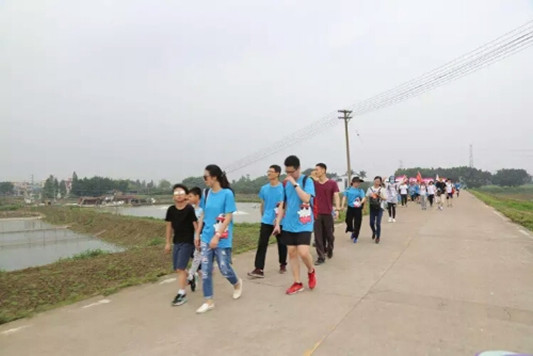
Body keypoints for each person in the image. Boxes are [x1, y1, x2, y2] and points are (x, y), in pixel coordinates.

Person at [196, 165, 243, 314]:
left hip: (222, 237)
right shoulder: (206, 193)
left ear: (214, 177)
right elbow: (203, 214)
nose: (205, 180)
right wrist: (198, 234)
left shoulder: (227, 194)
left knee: (224, 267)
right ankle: (209, 301)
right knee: (205, 270)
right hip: (206, 236)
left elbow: (228, 217)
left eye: (206, 177)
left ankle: (236, 283)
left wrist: (217, 236)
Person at [273, 155, 317, 295]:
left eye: (292, 171)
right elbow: (282, 205)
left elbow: (306, 198)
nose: (289, 174)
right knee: (291, 253)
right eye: (287, 172)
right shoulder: (285, 184)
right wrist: (278, 223)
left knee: (303, 252)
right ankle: (297, 282)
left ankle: (311, 270)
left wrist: (294, 183)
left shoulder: (306, 180)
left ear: (299, 168)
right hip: (289, 224)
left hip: (304, 223)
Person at [248, 165, 287, 278]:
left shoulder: (282, 188)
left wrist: (281, 217)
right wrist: (263, 216)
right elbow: (263, 204)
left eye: (271, 171)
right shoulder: (264, 188)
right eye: (268, 171)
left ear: (277, 173)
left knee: (282, 244)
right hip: (266, 220)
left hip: (280, 220)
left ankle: (283, 263)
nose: (268, 173)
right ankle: (259, 268)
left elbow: (285, 205)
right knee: (262, 243)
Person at [165, 184, 198, 306]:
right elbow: (169, 227)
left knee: (180, 268)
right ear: (173, 197)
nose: (178, 196)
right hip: (177, 241)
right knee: (177, 269)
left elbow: (195, 225)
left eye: (181, 193)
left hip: (188, 242)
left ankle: (182, 293)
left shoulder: (189, 209)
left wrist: (197, 239)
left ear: (185, 195)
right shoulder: (171, 210)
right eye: (176, 194)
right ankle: (191, 277)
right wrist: (167, 243)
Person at [312, 163, 340, 265]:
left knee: (330, 235)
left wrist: (337, 209)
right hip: (317, 213)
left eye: (317, 169)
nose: (316, 171)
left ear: (323, 170)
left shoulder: (332, 183)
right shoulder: (314, 184)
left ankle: (330, 248)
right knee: (318, 236)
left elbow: (336, 195)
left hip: (328, 212)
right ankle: (321, 256)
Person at [186, 187, 203, 291]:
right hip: (191, 237)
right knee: (194, 256)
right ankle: (193, 274)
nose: (189, 198)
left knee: (196, 257)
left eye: (190, 196)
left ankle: (191, 275)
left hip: (199, 237)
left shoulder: (202, 210)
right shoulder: (191, 209)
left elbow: (200, 225)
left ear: (197, 196)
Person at [341, 177, 366, 243]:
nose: (358, 184)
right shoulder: (348, 189)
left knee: (357, 222)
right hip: (350, 208)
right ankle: (351, 229)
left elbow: (363, 198)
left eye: (359, 182)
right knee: (348, 220)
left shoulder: (360, 190)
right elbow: (344, 197)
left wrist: (361, 202)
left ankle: (355, 236)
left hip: (357, 208)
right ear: (353, 182)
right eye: (357, 182)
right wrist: (342, 205)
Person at [366, 177, 387, 244]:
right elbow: (366, 196)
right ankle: (374, 231)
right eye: (376, 180)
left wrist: (379, 196)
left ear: (380, 182)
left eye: (378, 181)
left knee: (378, 223)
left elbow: (385, 198)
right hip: (372, 207)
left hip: (379, 207)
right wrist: (371, 196)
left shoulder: (382, 189)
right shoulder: (370, 189)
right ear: (374, 181)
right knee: (371, 223)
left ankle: (378, 237)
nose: (377, 182)